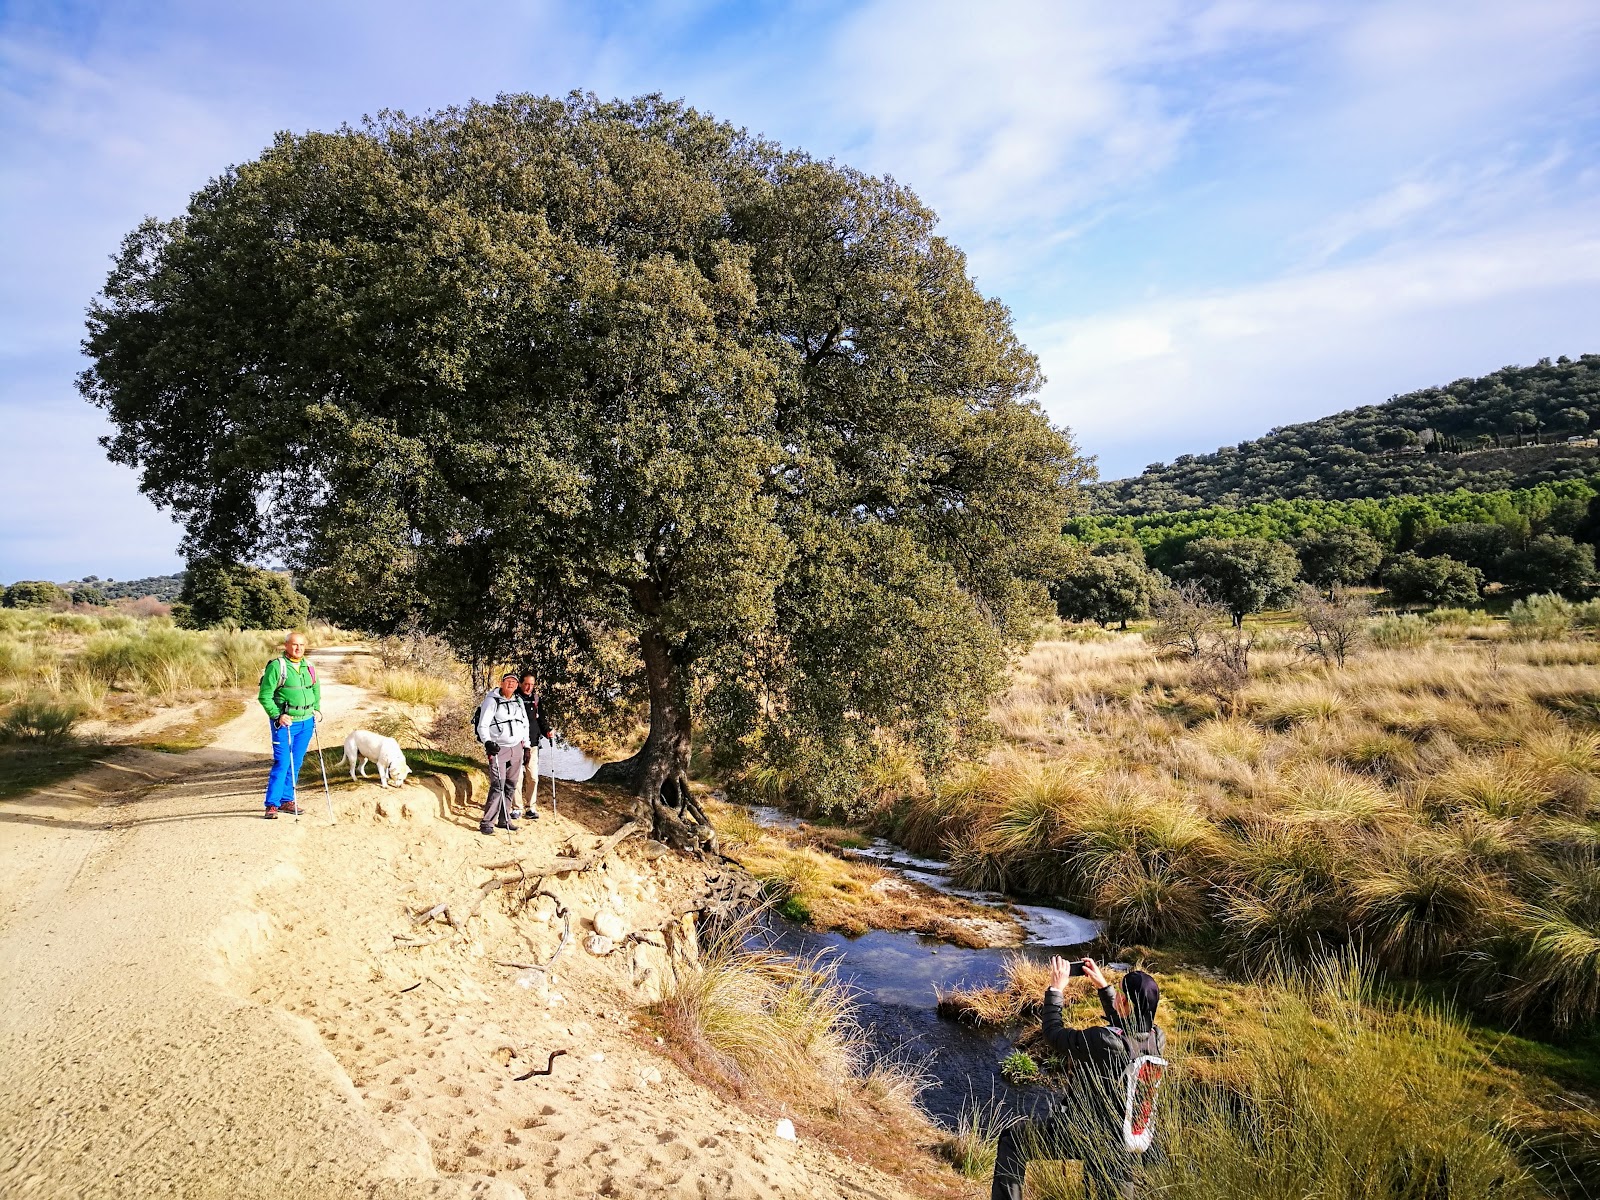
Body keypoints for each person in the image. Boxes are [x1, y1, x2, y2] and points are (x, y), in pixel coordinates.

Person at [991, 958, 1166, 1200]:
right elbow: (1127, 1031)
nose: (1117, 997)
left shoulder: (1103, 1041)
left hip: (1085, 1134)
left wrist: (1055, 990)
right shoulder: (1157, 1038)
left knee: (1014, 1140)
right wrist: (1104, 988)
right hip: (1127, 1138)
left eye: (1120, 996)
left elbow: (1053, 1035)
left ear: (1125, 1004)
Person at [257, 631, 322, 819]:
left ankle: (287, 800)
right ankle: (272, 804)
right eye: (294, 644)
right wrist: (277, 715)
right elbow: (265, 696)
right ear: (286, 646)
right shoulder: (278, 667)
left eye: (301, 645)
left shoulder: (309, 666)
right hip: (285, 723)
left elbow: (315, 690)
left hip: (306, 722)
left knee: (297, 762)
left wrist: (316, 709)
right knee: (283, 762)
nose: (298, 648)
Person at [475, 673, 531, 835]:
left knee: (511, 785)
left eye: (514, 682)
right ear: (502, 683)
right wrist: (488, 742)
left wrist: (526, 747)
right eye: (508, 682)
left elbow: (524, 725)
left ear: (517, 685)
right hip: (498, 748)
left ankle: (504, 819)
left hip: (516, 748)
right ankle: (487, 823)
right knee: (497, 785)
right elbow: (482, 725)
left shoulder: (518, 701)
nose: (511, 685)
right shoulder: (491, 701)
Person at [511, 672, 555, 821]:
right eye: (526, 684)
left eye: (532, 684)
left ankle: (531, 807)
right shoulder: (513, 699)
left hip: (534, 744)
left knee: (533, 777)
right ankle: (517, 808)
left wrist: (548, 730)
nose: (529, 687)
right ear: (520, 684)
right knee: (517, 777)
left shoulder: (536, 699)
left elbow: (541, 720)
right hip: (516, 744)